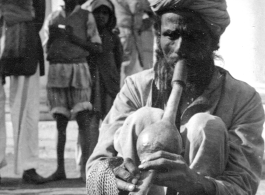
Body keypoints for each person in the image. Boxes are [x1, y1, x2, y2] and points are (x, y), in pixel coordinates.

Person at [86, 0, 265, 194]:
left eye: (193, 36)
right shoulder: (136, 88)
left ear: (215, 41)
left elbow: (243, 186)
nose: (180, 48)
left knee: (205, 126)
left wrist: (196, 183)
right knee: (145, 118)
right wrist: (112, 174)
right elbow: (95, 169)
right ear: (158, 36)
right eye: (171, 35)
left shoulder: (243, 99)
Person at [43, 0, 102, 182]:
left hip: (78, 70)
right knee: (60, 122)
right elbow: (46, 48)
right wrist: (52, 37)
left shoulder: (86, 16)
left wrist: (73, 38)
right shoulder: (52, 17)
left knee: (83, 121)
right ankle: (60, 169)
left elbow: (97, 47)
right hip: (57, 71)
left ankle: (85, 171)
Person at [0, 0, 46, 184]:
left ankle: (29, 166)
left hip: (24, 39)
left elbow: (39, 15)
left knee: (27, 108)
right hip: (10, 35)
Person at [111, 0, 154, 87]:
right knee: (123, 67)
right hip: (122, 34)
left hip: (132, 35)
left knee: (131, 68)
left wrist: (144, 25)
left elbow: (152, 12)